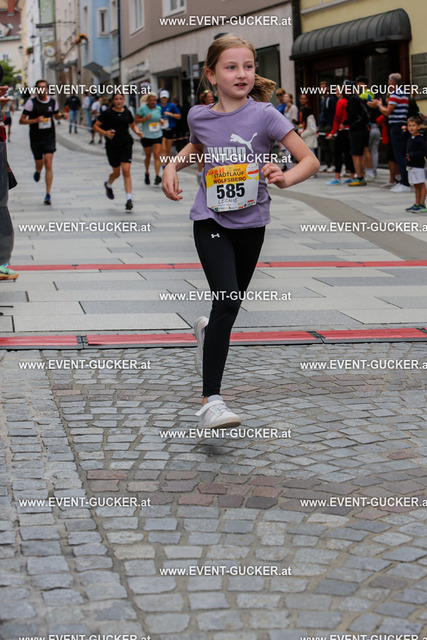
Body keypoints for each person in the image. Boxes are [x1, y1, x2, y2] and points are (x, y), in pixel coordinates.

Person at [162, 33, 319, 429]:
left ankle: (207, 334)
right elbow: (198, 146)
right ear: (211, 75)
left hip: (252, 224)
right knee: (228, 301)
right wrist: (171, 166)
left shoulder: (265, 114)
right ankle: (211, 401)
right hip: (210, 220)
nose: (242, 73)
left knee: (226, 310)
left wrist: (284, 177)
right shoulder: (198, 115)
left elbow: (309, 159)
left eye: (248, 66)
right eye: (231, 67)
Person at [19, 79, 68, 205]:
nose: (42, 89)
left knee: (49, 162)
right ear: (36, 89)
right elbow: (21, 120)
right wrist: (35, 120)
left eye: (44, 87)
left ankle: (48, 193)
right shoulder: (31, 103)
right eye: (39, 87)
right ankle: (38, 171)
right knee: (39, 163)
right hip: (36, 137)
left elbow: (56, 116)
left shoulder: (53, 102)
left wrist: (62, 116)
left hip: (49, 136)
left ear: (47, 89)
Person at [93, 92, 143, 211]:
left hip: (126, 143)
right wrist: (105, 133)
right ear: (112, 101)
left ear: (124, 100)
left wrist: (137, 132)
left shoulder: (127, 112)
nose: (119, 101)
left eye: (121, 99)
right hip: (112, 145)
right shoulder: (107, 113)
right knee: (117, 173)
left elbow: (132, 124)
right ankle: (108, 184)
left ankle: (129, 199)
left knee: (126, 170)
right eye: (116, 99)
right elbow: (95, 126)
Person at [369, 73, 410, 193]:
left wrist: (379, 105)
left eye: (388, 81)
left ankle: (405, 183)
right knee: (400, 154)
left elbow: (387, 112)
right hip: (401, 125)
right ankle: (403, 181)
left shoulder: (395, 94)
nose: (388, 83)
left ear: (391, 82)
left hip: (396, 126)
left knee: (399, 155)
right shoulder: (403, 93)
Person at [325, 84, 354, 185]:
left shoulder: (340, 102)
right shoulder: (349, 101)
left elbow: (337, 117)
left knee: (338, 154)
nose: (336, 92)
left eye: (338, 90)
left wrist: (333, 132)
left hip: (342, 130)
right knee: (348, 154)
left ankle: (337, 177)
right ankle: (351, 175)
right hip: (349, 129)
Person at [135, 92, 164, 185]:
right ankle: (147, 173)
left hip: (157, 134)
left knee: (157, 155)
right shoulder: (142, 109)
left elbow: (158, 118)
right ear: (147, 101)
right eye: (151, 100)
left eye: (154, 100)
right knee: (148, 156)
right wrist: (145, 118)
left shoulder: (158, 108)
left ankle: (157, 176)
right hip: (146, 135)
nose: (153, 102)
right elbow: (136, 121)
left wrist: (161, 121)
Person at [346, 79, 370, 186]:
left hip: (356, 129)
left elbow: (353, 116)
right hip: (364, 128)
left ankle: (359, 177)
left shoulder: (352, 99)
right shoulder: (360, 98)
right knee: (361, 153)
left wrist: (344, 122)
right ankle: (362, 175)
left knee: (356, 154)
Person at [405, 116, 427, 213]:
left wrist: (412, 155)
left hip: (418, 165)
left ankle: (422, 204)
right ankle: (416, 203)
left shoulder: (420, 139)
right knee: (416, 184)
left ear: (418, 126)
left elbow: (424, 151)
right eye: (409, 125)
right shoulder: (410, 137)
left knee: (421, 184)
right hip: (411, 165)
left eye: (413, 125)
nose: (411, 127)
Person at [318, 81, 337, 172]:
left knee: (331, 146)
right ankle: (327, 163)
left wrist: (331, 125)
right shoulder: (322, 99)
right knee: (324, 146)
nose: (322, 89)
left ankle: (333, 164)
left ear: (328, 88)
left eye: (324, 87)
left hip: (329, 125)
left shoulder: (331, 99)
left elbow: (333, 112)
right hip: (322, 124)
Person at [159, 89, 181, 165]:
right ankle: (163, 165)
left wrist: (170, 114)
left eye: (165, 98)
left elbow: (179, 116)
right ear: (160, 98)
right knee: (163, 149)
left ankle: (168, 165)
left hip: (170, 129)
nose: (164, 99)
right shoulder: (157, 106)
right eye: (162, 98)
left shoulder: (171, 106)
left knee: (168, 149)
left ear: (167, 98)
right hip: (160, 129)